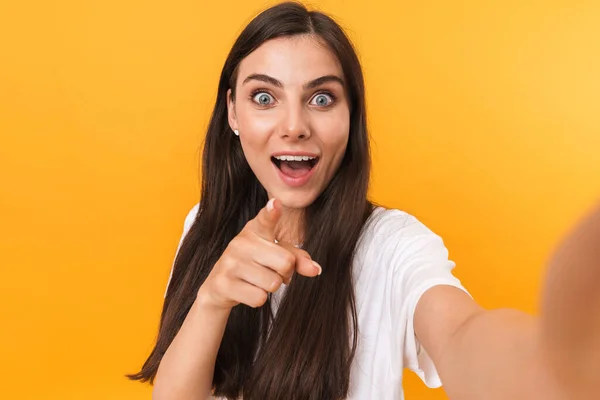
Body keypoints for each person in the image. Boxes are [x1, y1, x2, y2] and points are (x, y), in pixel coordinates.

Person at [128, 2, 600, 399]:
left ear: (352, 116)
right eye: (265, 97)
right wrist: (212, 298)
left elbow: (460, 335)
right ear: (232, 111)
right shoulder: (207, 223)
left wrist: (553, 364)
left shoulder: (392, 247)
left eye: (321, 99)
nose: (294, 126)